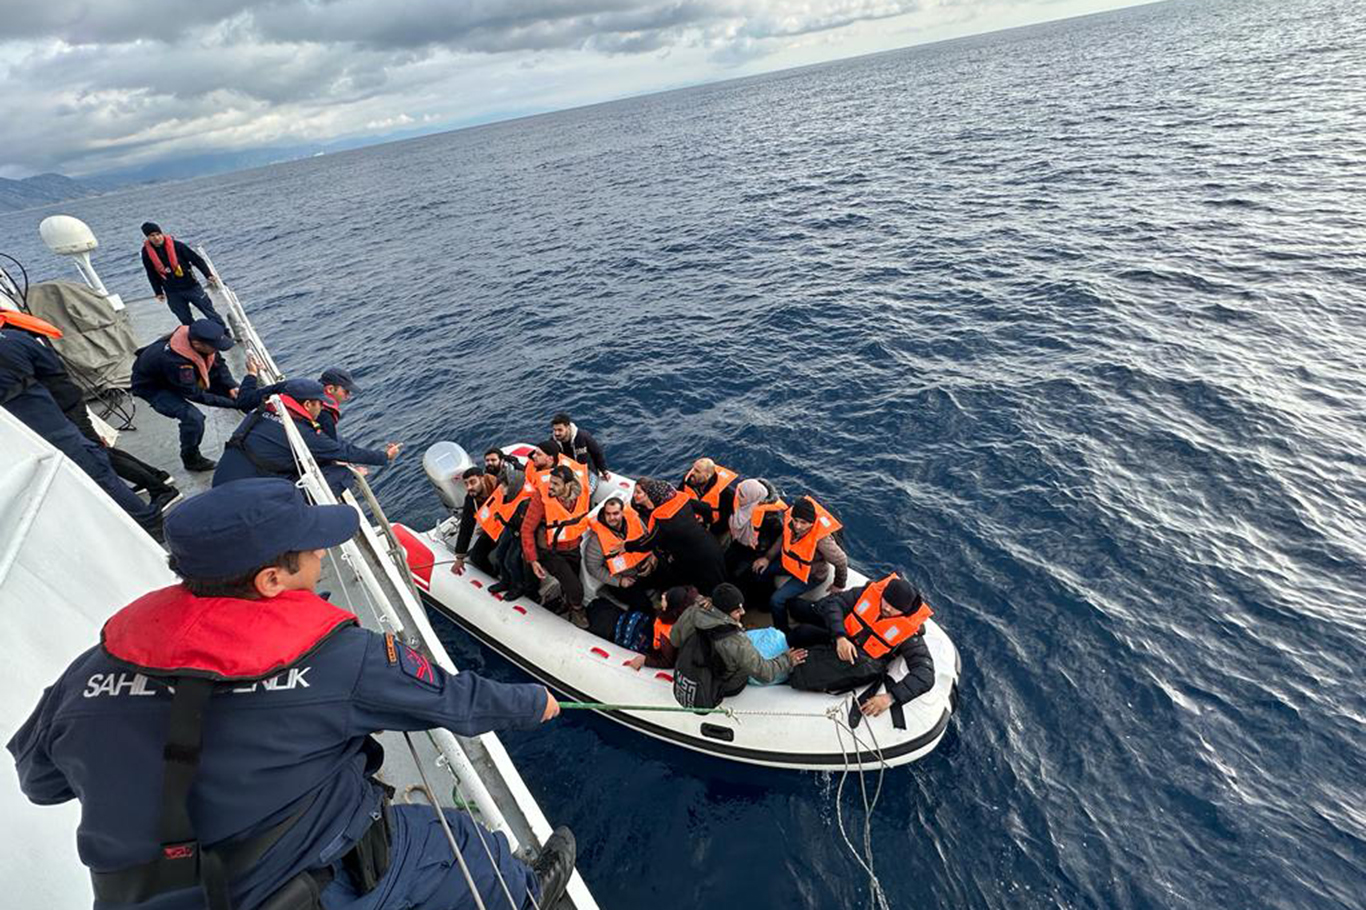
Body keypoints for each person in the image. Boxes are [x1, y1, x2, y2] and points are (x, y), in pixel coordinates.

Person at [7, 479, 577, 910]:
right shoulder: (342, 660)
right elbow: (460, 703)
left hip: (160, 893)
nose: (322, 554)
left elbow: (40, 781)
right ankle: (529, 895)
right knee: (457, 841)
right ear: (271, 580)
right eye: (310, 548)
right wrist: (537, 703)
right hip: (302, 885)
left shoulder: (95, 669)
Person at [0, 311, 164, 536]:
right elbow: (51, 367)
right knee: (97, 466)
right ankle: (149, 520)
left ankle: (144, 502)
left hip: (19, 433)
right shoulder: (15, 340)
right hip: (50, 417)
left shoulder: (13, 341)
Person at [213, 378, 401, 494]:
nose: (322, 408)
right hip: (245, 495)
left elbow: (325, 443)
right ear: (308, 405)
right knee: (344, 473)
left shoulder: (263, 410)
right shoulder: (300, 431)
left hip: (224, 480)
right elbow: (342, 451)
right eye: (320, 404)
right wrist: (384, 456)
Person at [786, 574, 937, 719]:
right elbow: (834, 603)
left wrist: (891, 697)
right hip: (842, 638)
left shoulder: (909, 633)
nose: (888, 609)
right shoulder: (868, 594)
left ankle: (784, 672)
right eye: (887, 601)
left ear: (906, 612)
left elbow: (925, 673)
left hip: (857, 661)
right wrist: (840, 637)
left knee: (806, 665)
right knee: (801, 627)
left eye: (895, 608)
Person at [130, 318, 245, 471]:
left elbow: (219, 364)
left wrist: (230, 385)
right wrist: (233, 404)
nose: (217, 349)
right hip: (153, 387)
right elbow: (195, 394)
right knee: (193, 418)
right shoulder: (176, 362)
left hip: (173, 375)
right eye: (215, 347)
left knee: (239, 394)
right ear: (198, 344)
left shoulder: (203, 343)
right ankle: (191, 458)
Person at [669, 583, 807, 707]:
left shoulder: (692, 611)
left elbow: (674, 640)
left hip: (695, 664)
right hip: (728, 684)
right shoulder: (736, 642)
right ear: (724, 612)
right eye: (737, 610)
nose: (743, 612)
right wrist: (788, 660)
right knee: (772, 639)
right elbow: (765, 673)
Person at [753, 494, 848, 632]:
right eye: (796, 520)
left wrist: (839, 584)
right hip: (791, 564)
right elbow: (783, 537)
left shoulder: (822, 541)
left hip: (811, 574)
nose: (798, 526)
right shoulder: (791, 522)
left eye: (804, 523)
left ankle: (783, 631)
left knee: (777, 599)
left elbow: (841, 560)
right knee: (759, 571)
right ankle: (764, 605)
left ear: (812, 522)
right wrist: (767, 557)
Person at [617, 478, 726, 595]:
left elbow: (648, 543)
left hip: (695, 558)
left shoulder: (663, 521)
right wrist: (706, 522)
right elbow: (706, 508)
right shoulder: (683, 500)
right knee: (720, 578)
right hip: (710, 544)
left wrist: (626, 546)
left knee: (708, 585)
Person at [521, 464, 592, 628]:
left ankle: (567, 602)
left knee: (571, 580)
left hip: (573, 546)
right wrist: (533, 560)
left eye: (556, 484)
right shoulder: (542, 498)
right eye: (550, 482)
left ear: (568, 485)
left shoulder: (581, 494)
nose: (550, 487)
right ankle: (577, 610)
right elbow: (526, 529)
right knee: (576, 589)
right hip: (550, 551)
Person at [139, 222, 226, 328]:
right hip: (172, 291)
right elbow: (151, 273)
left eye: (158, 234)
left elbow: (197, 260)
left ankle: (224, 332)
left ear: (162, 233)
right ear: (147, 237)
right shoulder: (146, 252)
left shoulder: (177, 246)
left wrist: (208, 275)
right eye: (152, 236)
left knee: (209, 311)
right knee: (185, 319)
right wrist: (158, 291)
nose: (156, 238)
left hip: (191, 286)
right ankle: (198, 340)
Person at [583, 495, 656, 611]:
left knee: (667, 576)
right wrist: (619, 581)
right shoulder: (597, 540)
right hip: (624, 579)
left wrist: (652, 557)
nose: (612, 517)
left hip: (645, 567)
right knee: (643, 605)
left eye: (616, 513)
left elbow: (649, 539)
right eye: (608, 514)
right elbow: (592, 567)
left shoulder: (635, 522)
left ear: (622, 512)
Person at [724, 478, 786, 594]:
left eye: (742, 495)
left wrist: (767, 558)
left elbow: (780, 538)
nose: (738, 497)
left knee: (742, 575)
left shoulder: (771, 519)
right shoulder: (743, 505)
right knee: (725, 562)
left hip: (759, 552)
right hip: (741, 544)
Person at [622, 585, 699, 671]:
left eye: (666, 598)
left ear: (670, 607)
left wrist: (644, 660)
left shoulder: (669, 633)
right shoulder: (689, 608)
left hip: (660, 651)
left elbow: (667, 661)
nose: (663, 595)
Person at [451, 466, 502, 576]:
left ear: (482, 479)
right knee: (476, 556)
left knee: (507, 556)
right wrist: (460, 557)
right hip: (492, 529)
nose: (469, 487)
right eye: (466, 484)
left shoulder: (500, 485)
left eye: (472, 482)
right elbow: (466, 527)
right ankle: (495, 575)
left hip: (511, 526)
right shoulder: (471, 499)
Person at [679, 458, 741, 537]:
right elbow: (679, 499)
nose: (692, 473)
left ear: (707, 476)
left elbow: (726, 520)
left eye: (697, 471)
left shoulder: (725, 494)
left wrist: (706, 524)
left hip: (716, 528)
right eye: (693, 468)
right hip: (692, 522)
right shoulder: (688, 481)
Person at [548, 412, 610, 487]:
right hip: (568, 475)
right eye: (554, 430)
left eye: (560, 430)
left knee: (585, 493)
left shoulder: (583, 436)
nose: (556, 433)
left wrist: (604, 471)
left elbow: (597, 453)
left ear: (568, 427)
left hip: (588, 473)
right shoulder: (552, 442)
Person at [317, 366, 358, 439]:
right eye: (346, 391)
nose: (348, 396)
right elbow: (331, 447)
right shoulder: (325, 417)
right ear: (330, 389)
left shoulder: (312, 400)